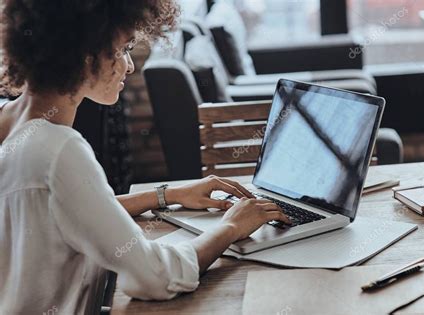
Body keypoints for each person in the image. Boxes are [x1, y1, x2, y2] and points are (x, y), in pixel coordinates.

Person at [0, 0, 290, 313]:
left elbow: (68, 210)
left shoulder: (10, 122)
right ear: (85, 53)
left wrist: (165, 195)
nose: (130, 65)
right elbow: (157, 277)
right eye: (122, 49)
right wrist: (232, 226)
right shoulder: (59, 148)